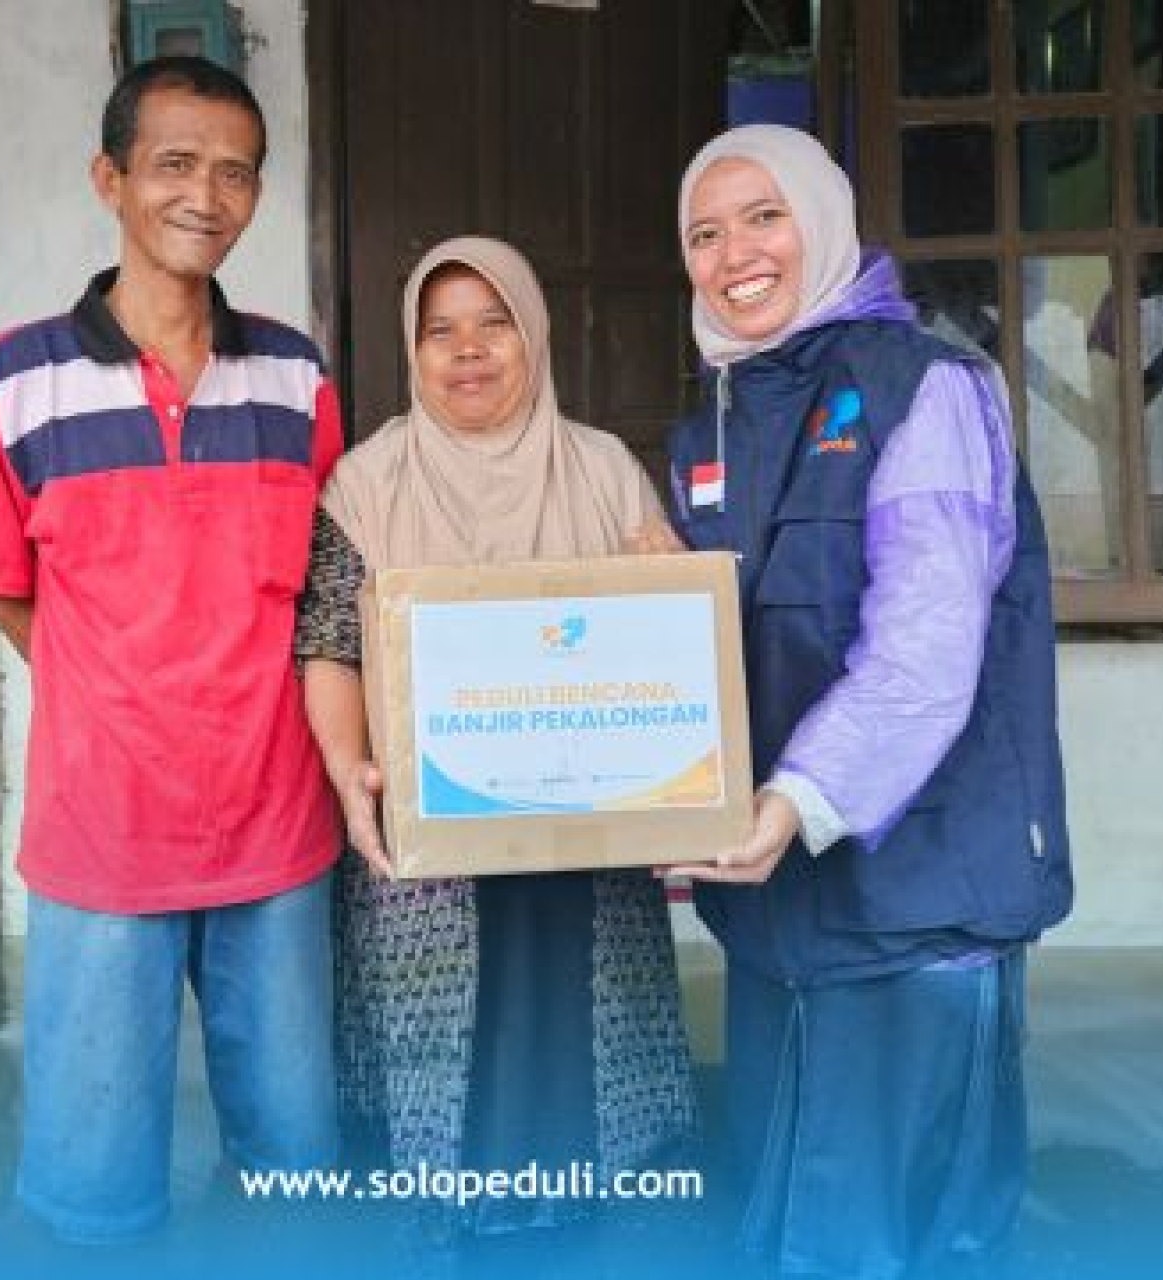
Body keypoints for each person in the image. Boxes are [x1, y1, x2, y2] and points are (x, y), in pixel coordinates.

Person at [663, 125, 1074, 1278]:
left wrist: (794, 799)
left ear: (824, 220)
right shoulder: (710, 429)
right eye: (705, 232)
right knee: (784, 1228)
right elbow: (701, 649)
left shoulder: (925, 388)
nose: (736, 253)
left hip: (921, 904)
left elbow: (927, 652)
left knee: (912, 1241)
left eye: (765, 216)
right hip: (777, 910)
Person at [0, 57, 343, 1241]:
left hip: (277, 829)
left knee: (292, 1170)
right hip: (104, 836)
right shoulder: (16, 379)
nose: (206, 196)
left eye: (236, 172)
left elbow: (333, 590)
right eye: (175, 164)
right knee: (94, 1193)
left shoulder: (297, 374)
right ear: (109, 178)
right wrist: (119, 695)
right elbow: (7, 590)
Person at [295, 236, 699, 1235]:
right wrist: (349, 772)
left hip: (586, 831)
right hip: (428, 825)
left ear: (535, 336)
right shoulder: (367, 482)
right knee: (444, 1037)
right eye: (441, 331)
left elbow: (670, 650)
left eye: (494, 324)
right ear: (414, 349)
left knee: (574, 1018)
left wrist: (672, 582)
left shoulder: (604, 470)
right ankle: (443, 1204)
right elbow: (329, 644)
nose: (467, 351)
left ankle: (593, 1202)